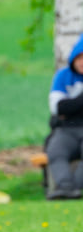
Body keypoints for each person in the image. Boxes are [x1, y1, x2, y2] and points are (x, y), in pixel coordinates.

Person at [46, 35, 83, 199]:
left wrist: (71, 106)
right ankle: (65, 186)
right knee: (56, 151)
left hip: (72, 123)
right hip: (67, 129)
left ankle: (75, 188)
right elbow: (57, 107)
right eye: (79, 58)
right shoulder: (63, 76)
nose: (82, 62)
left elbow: (66, 108)